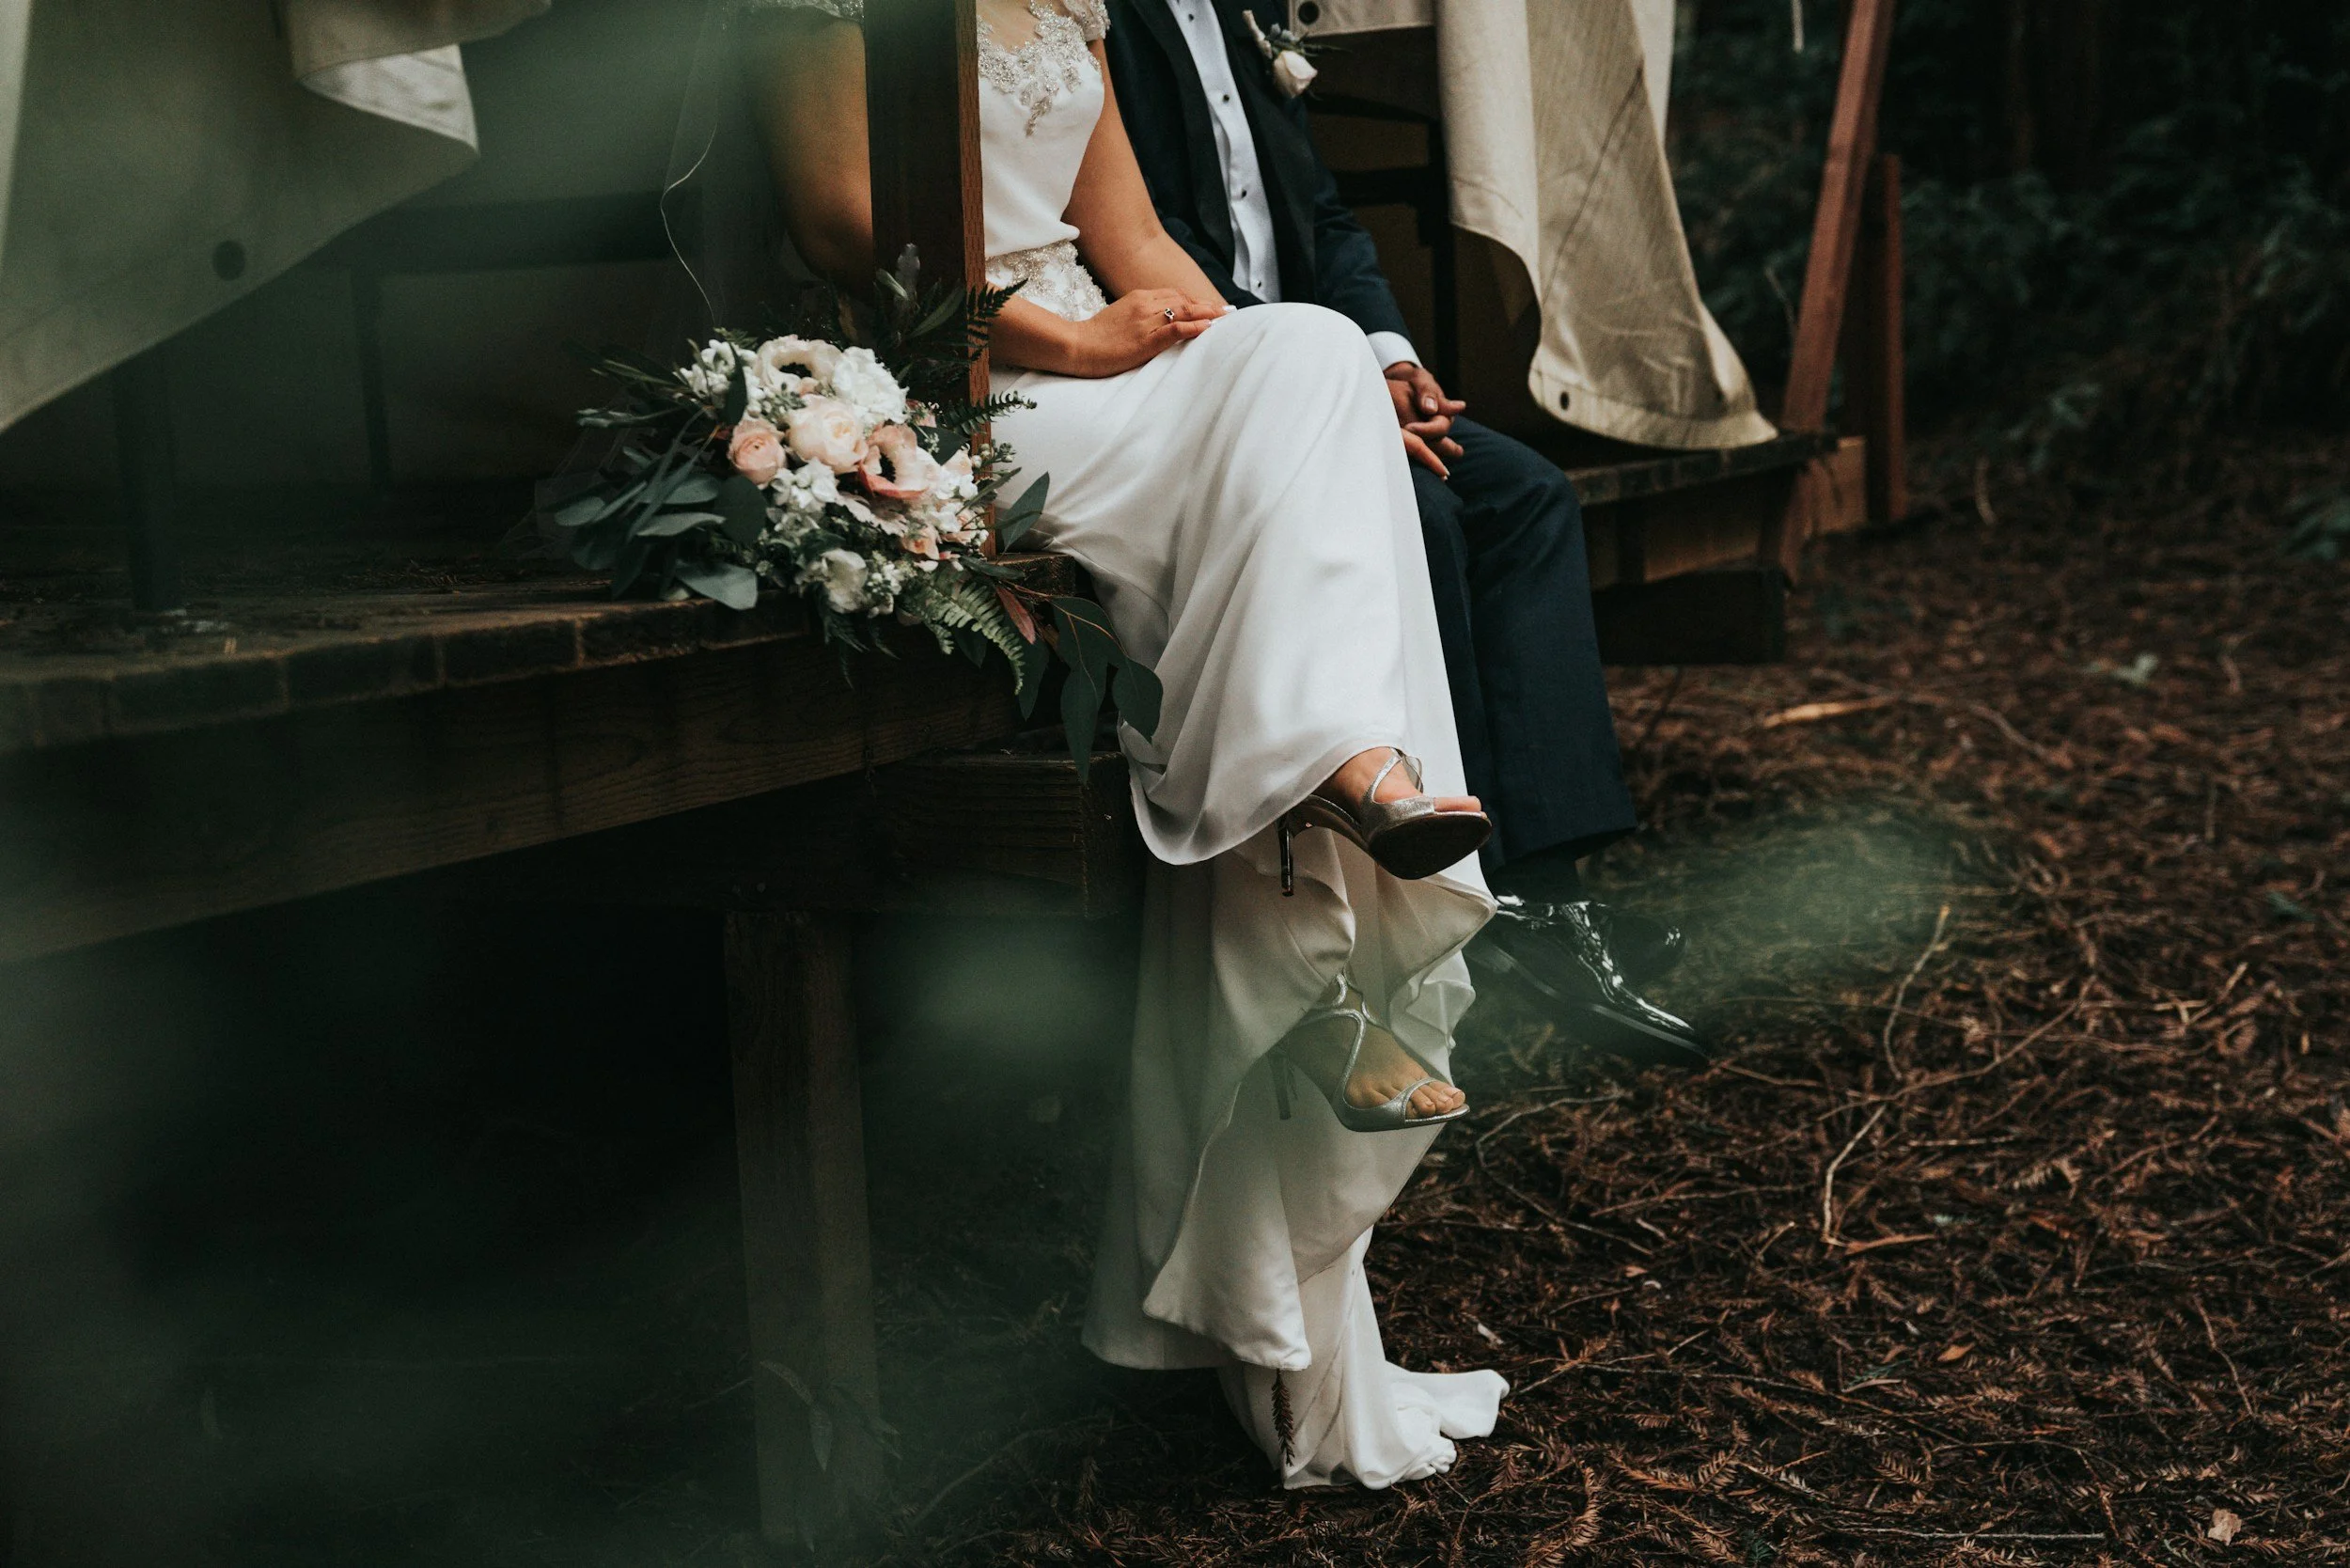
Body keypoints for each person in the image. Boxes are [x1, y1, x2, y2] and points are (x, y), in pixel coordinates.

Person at [741, 0, 1511, 1487]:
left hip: (1120, 369)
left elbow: (1139, 237)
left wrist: (1259, 367)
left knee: (1315, 353)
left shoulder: (1063, 1)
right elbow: (852, 236)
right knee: (1312, 423)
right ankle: (1350, 832)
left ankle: (1341, 773)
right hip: (968, 392)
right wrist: (1080, 340)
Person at [1101, 0, 1708, 1066]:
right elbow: (1142, 248)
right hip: (1214, 381)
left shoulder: (1247, 20)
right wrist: (1327, 385)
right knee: (1418, 516)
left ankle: (1548, 899)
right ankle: (1449, 900)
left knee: (1523, 496)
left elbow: (1326, 220)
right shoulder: (1104, 21)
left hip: (1333, 369)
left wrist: (1385, 357)